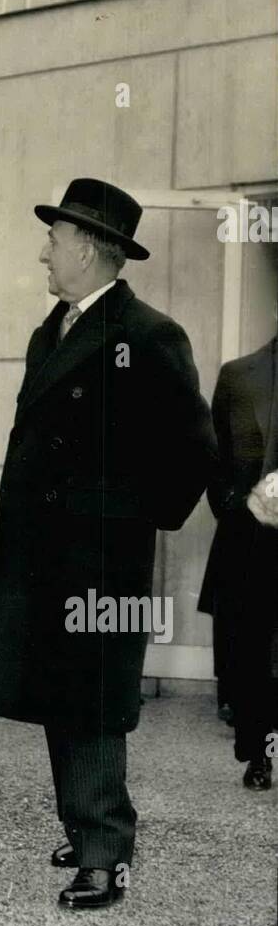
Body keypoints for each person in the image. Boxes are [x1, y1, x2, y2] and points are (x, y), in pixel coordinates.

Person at [0, 178, 217, 911]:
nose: (44, 251)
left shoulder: (147, 335)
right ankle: (83, 830)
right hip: (46, 552)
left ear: (87, 249)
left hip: (99, 560)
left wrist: (126, 518)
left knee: (95, 701)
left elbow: (194, 451)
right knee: (58, 691)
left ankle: (107, 856)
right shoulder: (57, 328)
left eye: (54, 240)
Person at [199, 316, 278, 791]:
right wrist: (241, 503)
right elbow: (213, 458)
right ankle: (258, 754)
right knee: (251, 653)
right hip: (250, 539)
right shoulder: (238, 374)